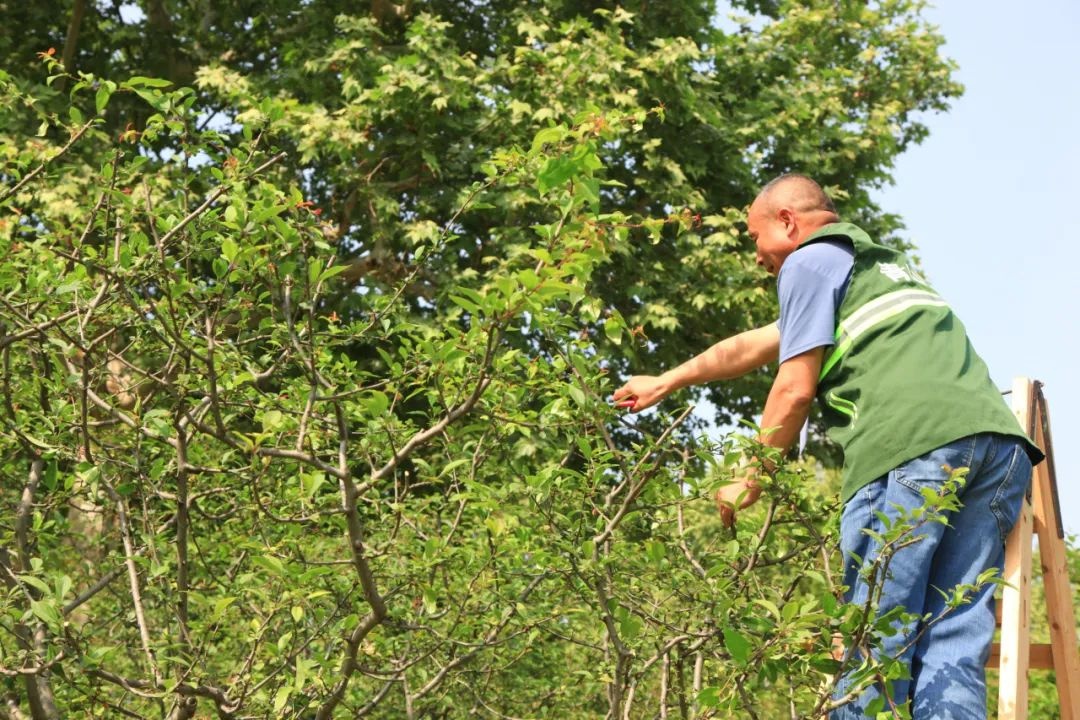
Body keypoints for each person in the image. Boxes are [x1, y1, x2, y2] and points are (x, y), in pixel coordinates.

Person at [612, 174, 1043, 719]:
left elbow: (793, 390)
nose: (758, 257)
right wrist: (667, 380)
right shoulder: (870, 266)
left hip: (912, 447)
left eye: (755, 238)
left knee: (875, 635)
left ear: (788, 222)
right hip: (997, 449)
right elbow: (753, 344)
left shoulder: (809, 263)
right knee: (951, 634)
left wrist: (751, 476)